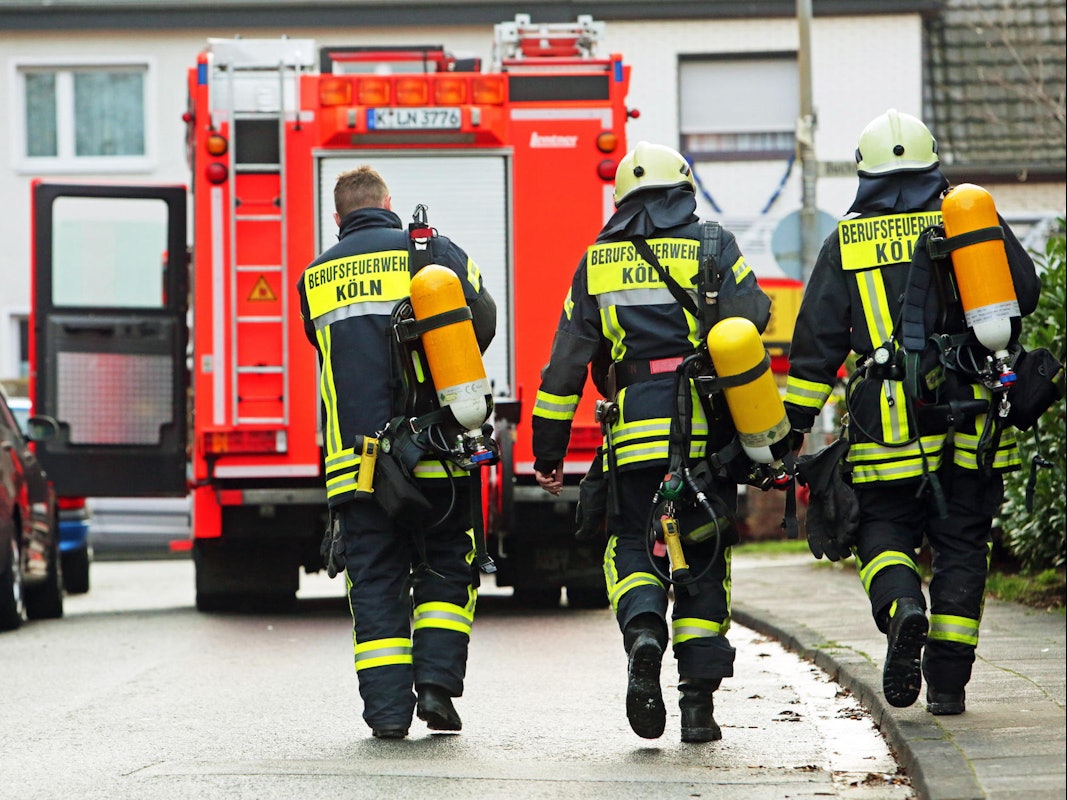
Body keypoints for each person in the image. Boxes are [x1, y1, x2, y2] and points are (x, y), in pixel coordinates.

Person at [784, 109, 1041, 715]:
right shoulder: (969, 219)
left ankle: (903, 609)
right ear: (933, 162)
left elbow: (815, 345)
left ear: (864, 172)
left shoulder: (844, 240)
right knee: (963, 545)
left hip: (886, 426)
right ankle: (948, 687)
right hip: (974, 419)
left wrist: (789, 433)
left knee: (882, 532)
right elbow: (1025, 293)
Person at [532, 142, 772, 742]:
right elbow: (754, 315)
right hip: (702, 438)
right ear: (683, 191)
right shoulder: (713, 243)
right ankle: (697, 708)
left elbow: (564, 367)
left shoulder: (596, 261)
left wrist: (548, 452)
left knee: (633, 545)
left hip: (633, 437)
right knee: (703, 560)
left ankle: (643, 634)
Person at [297, 166, 496, 739]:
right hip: (437, 452)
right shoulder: (431, 251)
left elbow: (323, 342)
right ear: (389, 203)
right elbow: (481, 321)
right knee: (445, 567)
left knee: (376, 583)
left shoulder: (315, 276)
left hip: (356, 467)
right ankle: (435, 686)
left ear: (338, 218)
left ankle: (386, 716)